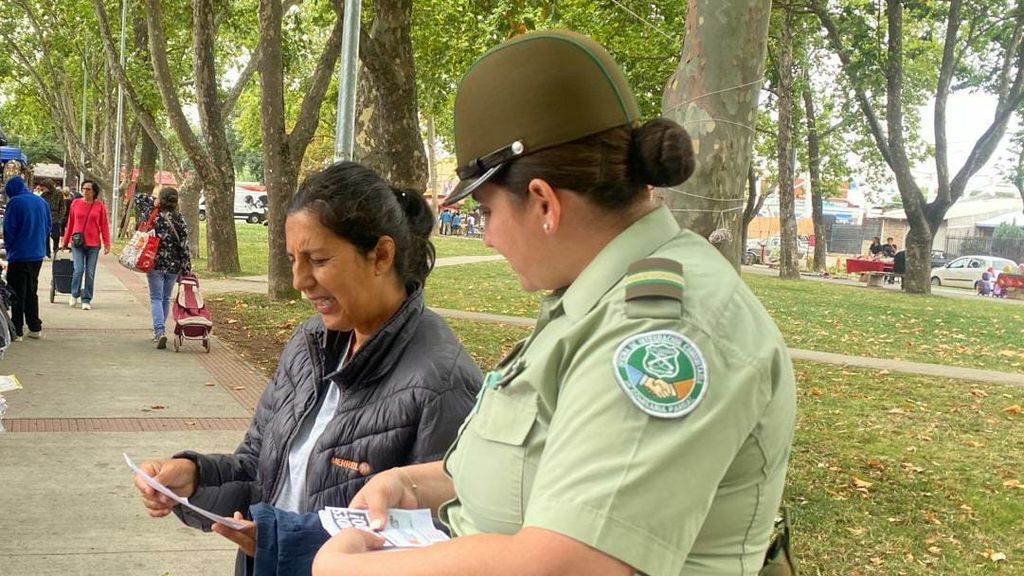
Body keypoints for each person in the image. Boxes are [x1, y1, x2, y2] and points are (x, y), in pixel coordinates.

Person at [309, 30, 797, 576]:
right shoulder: (589, 302)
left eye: (486, 214)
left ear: (543, 202)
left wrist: (348, 570)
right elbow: (540, 468)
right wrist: (413, 483)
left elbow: (572, 565)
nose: (487, 237)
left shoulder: (662, 333)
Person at [131, 161, 482, 576]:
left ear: (381, 255)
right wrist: (194, 478)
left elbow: (440, 547)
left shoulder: (442, 381)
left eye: (317, 259)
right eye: (293, 259)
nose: (299, 280)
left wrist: (289, 542)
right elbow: (257, 468)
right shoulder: (308, 343)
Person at [135, 187, 191, 349]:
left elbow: (138, 198)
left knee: (156, 298)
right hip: (173, 265)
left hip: (155, 263)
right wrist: (186, 268)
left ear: (161, 199)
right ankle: (160, 330)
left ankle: (159, 332)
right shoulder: (180, 219)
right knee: (165, 298)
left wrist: (154, 201)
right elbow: (184, 246)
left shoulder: (153, 215)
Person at [2, 176, 51, 340]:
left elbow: (9, 229)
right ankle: (35, 326)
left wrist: (9, 249)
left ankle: (17, 329)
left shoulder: (15, 203)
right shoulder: (41, 202)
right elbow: (48, 226)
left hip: (19, 254)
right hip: (37, 253)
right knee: (31, 290)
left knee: (17, 292)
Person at [60, 180, 110, 310]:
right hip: (77, 243)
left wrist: (107, 242)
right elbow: (70, 223)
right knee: (79, 269)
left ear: (94, 192)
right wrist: (65, 241)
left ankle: (86, 298)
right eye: (83, 189)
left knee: (90, 272)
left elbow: (104, 225)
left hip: (93, 244)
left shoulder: (99, 206)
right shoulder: (75, 203)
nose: (85, 191)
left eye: (88, 189)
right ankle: (74, 293)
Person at [35, 179, 68, 258]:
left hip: (55, 218)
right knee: (45, 236)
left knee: (55, 236)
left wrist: (60, 217)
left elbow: (63, 206)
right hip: (46, 218)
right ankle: (47, 252)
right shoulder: (44, 195)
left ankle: (55, 249)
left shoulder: (59, 194)